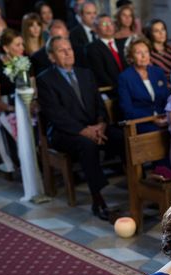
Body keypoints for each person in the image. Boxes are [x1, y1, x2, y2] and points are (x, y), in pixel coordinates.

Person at [37, 36, 122, 220]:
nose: (68, 53)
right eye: (62, 50)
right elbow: (56, 115)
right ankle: (98, 201)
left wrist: (101, 124)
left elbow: (99, 105)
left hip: (95, 127)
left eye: (70, 48)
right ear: (52, 57)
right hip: (64, 133)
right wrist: (85, 131)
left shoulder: (86, 74)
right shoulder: (45, 80)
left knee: (122, 137)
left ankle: (134, 191)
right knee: (87, 145)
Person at [118, 36, 170, 133]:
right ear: (130, 57)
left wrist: (167, 117)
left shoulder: (158, 72)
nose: (144, 56)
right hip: (142, 122)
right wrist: (152, 119)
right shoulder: (125, 78)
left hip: (164, 118)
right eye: (138, 53)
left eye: (146, 52)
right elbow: (127, 110)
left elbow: (168, 99)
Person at [85, 14, 127, 93]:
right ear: (96, 28)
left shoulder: (123, 43)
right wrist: (121, 88)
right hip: (112, 89)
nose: (108, 27)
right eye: (104, 24)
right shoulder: (92, 48)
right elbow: (101, 74)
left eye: (111, 23)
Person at [0, 29, 25, 114]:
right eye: (18, 45)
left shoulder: (25, 63)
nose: (22, 48)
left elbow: (32, 90)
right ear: (6, 48)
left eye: (22, 44)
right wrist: (13, 109)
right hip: (7, 113)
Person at [68, 0, 97, 66]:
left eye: (94, 13)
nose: (93, 17)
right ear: (81, 15)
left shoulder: (100, 30)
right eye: (88, 13)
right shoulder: (74, 34)